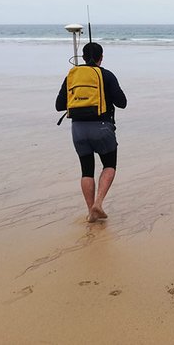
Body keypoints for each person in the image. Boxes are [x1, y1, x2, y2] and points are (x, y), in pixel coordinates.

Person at [55, 42, 127, 222]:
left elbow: (59, 106)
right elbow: (122, 102)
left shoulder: (72, 76)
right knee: (109, 165)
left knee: (86, 170)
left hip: (78, 129)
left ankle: (90, 211)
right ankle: (99, 203)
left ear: (84, 57)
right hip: (102, 127)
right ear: (101, 57)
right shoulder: (106, 75)